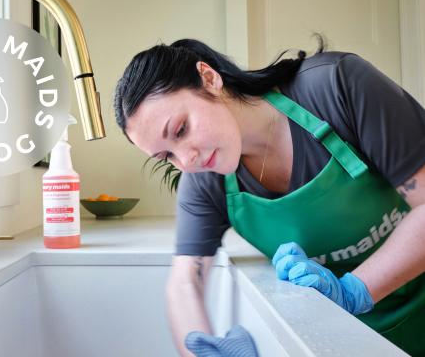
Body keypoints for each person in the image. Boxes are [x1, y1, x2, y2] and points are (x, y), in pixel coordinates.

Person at [114, 37, 425, 357]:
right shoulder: (206, 181)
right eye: (167, 156)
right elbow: (183, 283)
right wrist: (203, 351)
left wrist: (350, 292)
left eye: (181, 130)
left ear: (209, 78)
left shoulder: (335, 86)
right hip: (347, 341)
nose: (187, 161)